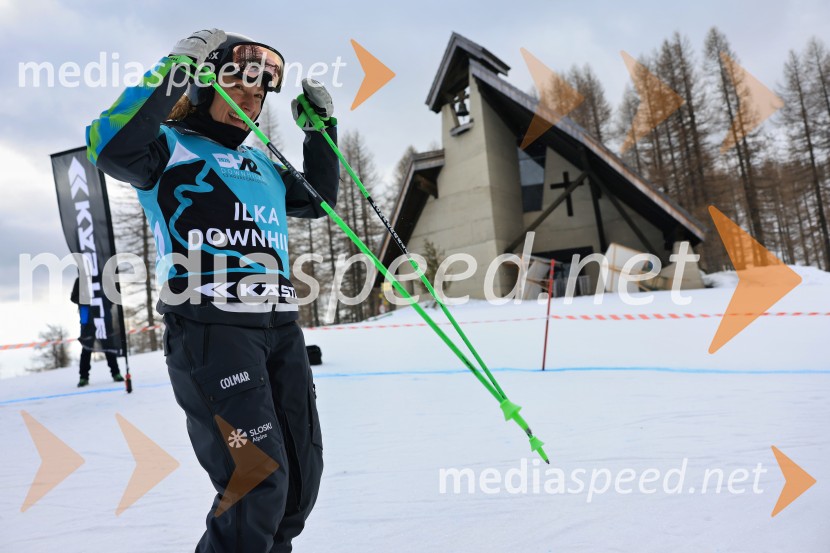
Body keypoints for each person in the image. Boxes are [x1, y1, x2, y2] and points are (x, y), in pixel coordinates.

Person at [86, 29, 338, 552]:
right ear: (203, 88)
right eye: (236, 90)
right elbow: (108, 145)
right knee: (255, 482)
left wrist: (321, 132)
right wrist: (175, 66)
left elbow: (318, 200)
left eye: (256, 96)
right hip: (211, 331)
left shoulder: (263, 162)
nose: (248, 104)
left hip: (279, 329)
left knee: (296, 489)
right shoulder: (166, 149)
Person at [70, 276, 124, 387]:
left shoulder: (104, 278)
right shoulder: (80, 280)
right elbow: (73, 297)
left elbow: (115, 295)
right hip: (87, 321)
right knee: (86, 348)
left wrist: (105, 302)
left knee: (109, 346)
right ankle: (83, 377)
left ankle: (116, 373)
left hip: (104, 319)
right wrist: (87, 300)